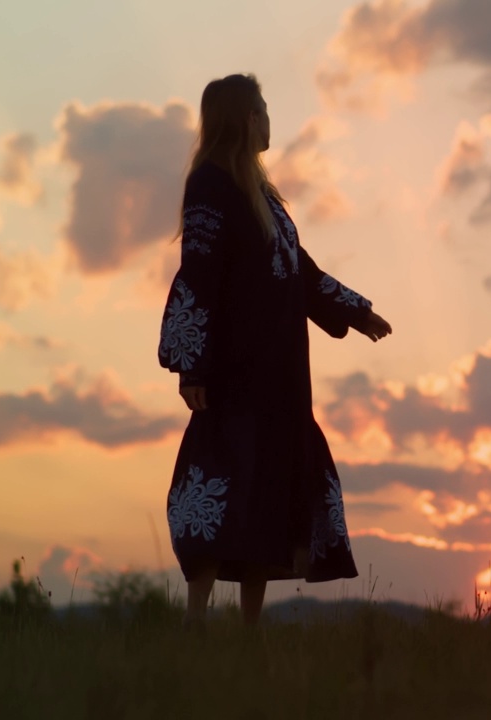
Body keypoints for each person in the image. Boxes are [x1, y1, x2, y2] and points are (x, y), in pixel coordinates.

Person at [156, 73, 392, 627]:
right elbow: (200, 273)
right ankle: (194, 625)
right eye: (262, 109)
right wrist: (194, 365)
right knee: (224, 483)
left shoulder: (264, 196)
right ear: (243, 118)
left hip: (281, 375)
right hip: (235, 372)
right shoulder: (211, 185)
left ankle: (250, 633)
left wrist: (356, 312)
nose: (268, 119)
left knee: (268, 492)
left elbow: (299, 272)